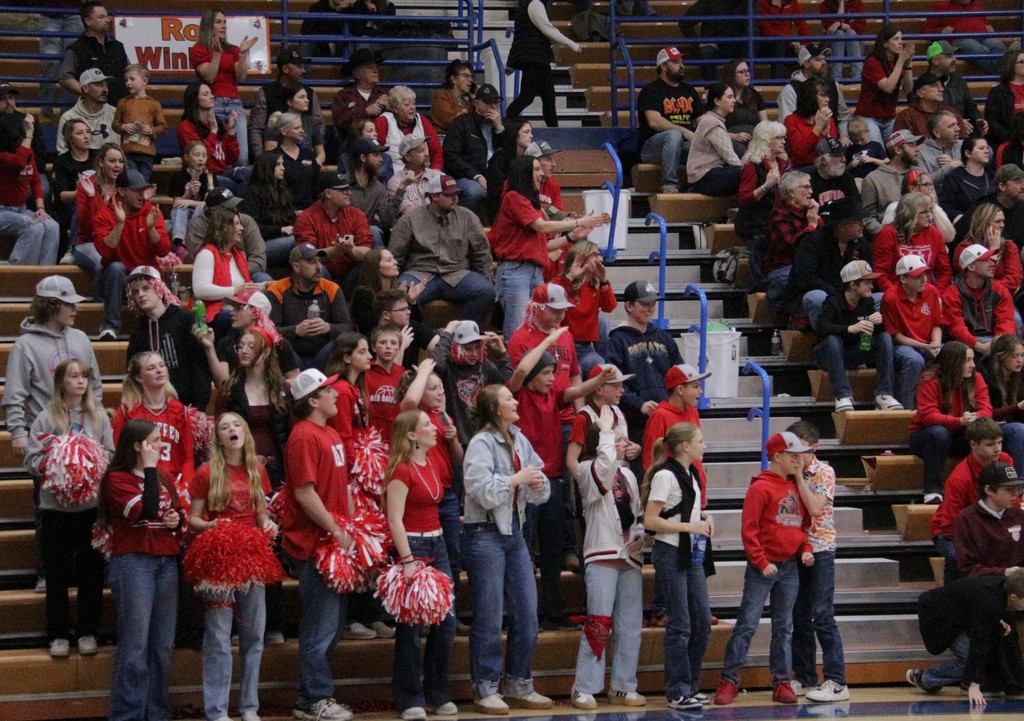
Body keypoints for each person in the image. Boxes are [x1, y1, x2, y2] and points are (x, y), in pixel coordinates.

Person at [461, 384, 552, 714]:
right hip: (484, 533)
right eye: (509, 398)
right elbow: (479, 492)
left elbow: (539, 482)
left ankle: (518, 682)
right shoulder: (481, 443)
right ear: (495, 408)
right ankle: (485, 687)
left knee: (528, 612)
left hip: (515, 532)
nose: (515, 402)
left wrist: (539, 484)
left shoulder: (520, 438)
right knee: (488, 615)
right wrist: (517, 479)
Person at [711, 432, 815, 706]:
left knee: (784, 627)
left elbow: (802, 527)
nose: (798, 460)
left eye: (799, 455)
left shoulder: (796, 487)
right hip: (763, 567)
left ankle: (781, 682)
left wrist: (806, 550)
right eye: (793, 455)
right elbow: (749, 531)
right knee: (746, 624)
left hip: (790, 567)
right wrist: (761, 561)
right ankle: (729, 680)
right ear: (777, 457)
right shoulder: (759, 488)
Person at [188, 413, 275, 721]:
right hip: (219, 560)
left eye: (236, 425)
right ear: (219, 439)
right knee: (218, 636)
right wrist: (211, 526)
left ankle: (250, 706)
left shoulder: (258, 470)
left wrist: (268, 525)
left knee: (254, 634)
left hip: (252, 557)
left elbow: (261, 513)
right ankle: (217, 710)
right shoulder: (206, 472)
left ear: (245, 433)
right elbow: (193, 518)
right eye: (224, 427)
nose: (231, 430)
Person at [278, 369, 355, 721]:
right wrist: (336, 530)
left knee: (334, 626)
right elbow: (304, 494)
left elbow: (342, 487)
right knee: (320, 626)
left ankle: (314, 695)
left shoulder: (330, 433)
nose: (336, 394)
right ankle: (313, 699)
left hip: (336, 542)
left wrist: (353, 528)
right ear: (312, 400)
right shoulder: (303, 436)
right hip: (315, 545)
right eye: (328, 390)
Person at [24, 358, 113, 658]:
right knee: (57, 576)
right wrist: (57, 461)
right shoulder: (45, 418)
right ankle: (58, 634)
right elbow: (30, 460)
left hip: (90, 510)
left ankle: (88, 630)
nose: (80, 381)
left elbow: (111, 456)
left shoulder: (99, 417)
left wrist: (91, 463)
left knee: (91, 574)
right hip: (55, 510)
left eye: (85, 376)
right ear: (61, 381)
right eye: (74, 376)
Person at [101, 419, 183, 721]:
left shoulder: (163, 478)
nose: (162, 445)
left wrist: (177, 519)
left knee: (162, 645)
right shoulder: (117, 479)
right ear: (138, 446)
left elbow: (171, 514)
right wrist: (149, 469)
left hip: (165, 561)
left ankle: (157, 712)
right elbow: (145, 511)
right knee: (135, 643)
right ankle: (128, 714)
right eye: (155, 440)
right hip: (134, 562)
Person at [569, 405, 646, 709]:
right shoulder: (586, 471)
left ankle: (623, 685)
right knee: (598, 623)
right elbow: (604, 470)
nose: (622, 446)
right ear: (599, 444)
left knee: (630, 625)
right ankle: (584, 687)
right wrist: (604, 432)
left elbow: (637, 513)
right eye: (617, 440)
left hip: (629, 558)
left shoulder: (627, 475)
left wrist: (640, 537)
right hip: (601, 554)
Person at [384, 410, 458, 721]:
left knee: (447, 622)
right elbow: (394, 519)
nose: (434, 428)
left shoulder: (435, 461)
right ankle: (409, 696)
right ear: (412, 435)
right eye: (426, 424)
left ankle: (438, 691)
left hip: (437, 543)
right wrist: (408, 561)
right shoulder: (401, 470)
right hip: (412, 546)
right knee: (410, 628)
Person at [488, 155, 605, 339]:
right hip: (515, 271)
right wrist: (578, 221)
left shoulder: (531, 204)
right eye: (536, 169)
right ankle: (515, 367)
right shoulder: (513, 197)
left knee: (537, 328)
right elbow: (542, 226)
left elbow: (546, 245)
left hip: (534, 271)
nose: (541, 174)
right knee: (518, 330)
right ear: (524, 173)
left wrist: (573, 236)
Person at [642, 421, 713, 709]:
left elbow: (687, 510)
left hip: (691, 553)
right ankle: (676, 690)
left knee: (703, 621)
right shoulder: (665, 476)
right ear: (685, 446)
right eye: (700, 440)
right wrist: (690, 527)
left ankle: (690, 684)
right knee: (681, 624)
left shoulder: (691, 472)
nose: (704, 445)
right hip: (671, 552)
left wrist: (706, 519)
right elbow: (651, 521)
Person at [397, 360, 466, 632]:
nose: (440, 393)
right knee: (427, 559)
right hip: (420, 496)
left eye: (441, 389)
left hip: (446, 494)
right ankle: (423, 615)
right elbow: (409, 401)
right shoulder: (414, 419)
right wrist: (424, 369)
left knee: (453, 557)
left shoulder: (444, 417)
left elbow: (458, 460)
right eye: (432, 388)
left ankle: (448, 615)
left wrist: (453, 441)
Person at [4, 276, 103, 460]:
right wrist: (18, 432)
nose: (75, 309)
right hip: (46, 433)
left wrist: (95, 420)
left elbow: (94, 384)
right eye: (69, 304)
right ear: (51, 306)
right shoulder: (25, 345)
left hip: (82, 432)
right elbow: (15, 392)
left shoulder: (81, 338)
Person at [787, 421, 850, 702]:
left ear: (814, 447)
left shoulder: (824, 472)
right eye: (790, 448)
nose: (794, 455)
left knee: (822, 614)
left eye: (799, 449)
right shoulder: (784, 473)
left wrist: (799, 477)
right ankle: (804, 676)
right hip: (794, 549)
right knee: (799, 615)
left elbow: (814, 508)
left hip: (822, 548)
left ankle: (837, 681)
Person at [390, 173, 496, 324]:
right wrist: (393, 282)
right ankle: (419, 335)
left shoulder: (467, 217)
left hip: (457, 274)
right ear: (434, 196)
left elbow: (481, 253)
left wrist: (486, 278)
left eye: (456, 194)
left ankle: (463, 335)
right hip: (420, 274)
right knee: (399, 297)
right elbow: (396, 255)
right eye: (449, 195)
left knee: (486, 291)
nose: (455, 198)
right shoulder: (411, 218)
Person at [911, 566, 1024, 707]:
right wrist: (974, 684)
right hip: (938, 617)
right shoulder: (990, 601)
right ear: (1013, 597)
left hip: (957, 615)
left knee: (994, 638)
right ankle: (926, 678)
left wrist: (997, 619)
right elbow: (979, 645)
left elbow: (976, 603)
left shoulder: (1002, 587)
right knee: (968, 658)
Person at [605, 280, 685, 474]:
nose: (650, 309)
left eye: (653, 304)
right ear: (629, 306)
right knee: (644, 477)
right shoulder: (617, 339)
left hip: (667, 417)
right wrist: (638, 404)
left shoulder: (664, 337)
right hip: (636, 422)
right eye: (644, 304)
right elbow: (613, 384)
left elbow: (680, 374)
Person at [926, 417, 1011, 582]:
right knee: (956, 557)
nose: (997, 449)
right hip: (950, 533)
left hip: (989, 527)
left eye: (999, 443)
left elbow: (1011, 502)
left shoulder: (1006, 461)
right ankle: (951, 597)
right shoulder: (960, 478)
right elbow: (950, 526)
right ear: (973, 445)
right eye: (990, 444)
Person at [909, 341, 993, 503]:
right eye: (968, 360)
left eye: (972, 360)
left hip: (961, 433)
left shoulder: (977, 378)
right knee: (939, 433)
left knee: (988, 432)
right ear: (954, 362)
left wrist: (973, 418)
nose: (973, 365)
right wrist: (959, 421)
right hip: (926, 437)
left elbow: (986, 409)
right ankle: (932, 490)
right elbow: (928, 416)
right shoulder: (930, 380)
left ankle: (986, 488)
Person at [812, 260, 902, 412]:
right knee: (833, 340)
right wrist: (850, 328)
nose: (872, 287)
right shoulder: (833, 301)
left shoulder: (867, 301)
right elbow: (821, 327)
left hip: (854, 353)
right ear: (853, 285)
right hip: (827, 354)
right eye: (867, 282)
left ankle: (884, 393)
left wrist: (880, 323)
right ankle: (842, 395)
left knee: (884, 337)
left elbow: (877, 331)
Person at [94, 169, 171, 340]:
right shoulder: (105, 214)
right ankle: (109, 327)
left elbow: (164, 250)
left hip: (143, 275)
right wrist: (120, 223)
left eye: (143, 190)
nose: (142, 195)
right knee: (116, 268)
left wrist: (151, 229)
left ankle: (159, 325)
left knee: (148, 274)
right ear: (121, 191)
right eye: (136, 190)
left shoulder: (150, 211)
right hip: (116, 281)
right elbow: (104, 251)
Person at [125, 265, 215, 411]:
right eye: (136, 292)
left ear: (160, 290)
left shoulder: (185, 320)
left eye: (146, 288)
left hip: (188, 407)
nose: (140, 295)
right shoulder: (137, 335)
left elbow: (199, 366)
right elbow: (133, 376)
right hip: (153, 410)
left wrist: (200, 406)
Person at [782, 196, 872, 326]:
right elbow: (806, 279)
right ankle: (826, 337)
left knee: (881, 297)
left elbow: (868, 273)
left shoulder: (861, 244)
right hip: (809, 296)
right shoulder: (811, 242)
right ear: (841, 226)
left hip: (850, 296)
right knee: (818, 297)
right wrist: (838, 294)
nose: (862, 225)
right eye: (856, 221)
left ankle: (868, 340)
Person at [266, 243, 353, 369]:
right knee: (281, 344)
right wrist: (295, 330)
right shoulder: (277, 290)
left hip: (323, 354)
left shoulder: (331, 288)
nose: (319, 267)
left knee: (340, 342)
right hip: (291, 356)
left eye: (319, 262)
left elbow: (347, 327)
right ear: (296, 267)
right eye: (312, 262)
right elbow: (270, 331)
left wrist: (328, 327)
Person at [189, 9, 257, 166]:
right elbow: (209, 76)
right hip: (213, 103)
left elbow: (241, 76)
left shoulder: (232, 49)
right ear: (208, 25)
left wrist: (242, 55)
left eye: (225, 22)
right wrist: (217, 54)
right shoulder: (199, 49)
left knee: (242, 155)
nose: (224, 26)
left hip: (234, 103)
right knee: (217, 154)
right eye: (219, 22)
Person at [432, 320, 514, 446]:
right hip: (458, 436)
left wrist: (501, 351)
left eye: (477, 347)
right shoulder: (449, 368)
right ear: (455, 347)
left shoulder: (485, 366)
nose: (475, 354)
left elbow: (506, 379)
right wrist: (448, 331)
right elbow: (437, 362)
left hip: (483, 435)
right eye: (469, 349)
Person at [637, 47, 705, 194]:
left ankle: (701, 185)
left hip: (684, 145)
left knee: (708, 142)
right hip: (652, 149)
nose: (682, 65)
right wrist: (685, 131)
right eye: (675, 62)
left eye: (681, 61)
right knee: (674, 135)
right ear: (663, 66)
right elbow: (654, 122)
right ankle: (669, 185)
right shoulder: (650, 90)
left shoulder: (689, 90)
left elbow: (703, 121)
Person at [882, 255, 945, 409]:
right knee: (914, 360)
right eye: (918, 276)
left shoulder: (931, 291)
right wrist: (926, 346)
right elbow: (896, 336)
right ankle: (907, 409)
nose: (924, 279)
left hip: (928, 343)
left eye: (925, 274)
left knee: (955, 355)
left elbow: (937, 324)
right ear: (903, 279)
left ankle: (945, 408)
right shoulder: (890, 297)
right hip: (903, 345)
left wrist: (935, 344)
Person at [505, 0, 581, 127]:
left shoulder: (523, 7)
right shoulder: (535, 4)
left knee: (548, 99)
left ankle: (554, 132)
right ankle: (503, 123)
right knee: (528, 97)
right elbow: (547, 29)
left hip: (535, 59)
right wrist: (572, 44)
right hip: (536, 59)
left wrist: (511, 62)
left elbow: (518, 38)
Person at [192, 206, 265, 337]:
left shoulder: (238, 254)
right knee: (236, 318)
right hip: (213, 312)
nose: (241, 228)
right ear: (224, 227)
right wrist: (235, 290)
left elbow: (244, 288)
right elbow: (200, 290)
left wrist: (265, 285)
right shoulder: (207, 253)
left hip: (237, 307)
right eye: (236, 224)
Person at [293, 170, 373, 292]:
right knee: (316, 266)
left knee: (370, 263)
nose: (349, 193)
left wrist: (352, 249)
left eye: (348, 189)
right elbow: (307, 256)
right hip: (323, 274)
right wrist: (335, 250)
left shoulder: (357, 215)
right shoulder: (306, 218)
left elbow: (368, 251)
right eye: (343, 190)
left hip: (351, 274)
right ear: (328, 193)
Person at [0, 112, 59, 265]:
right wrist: (30, 134)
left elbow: (36, 180)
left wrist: (40, 208)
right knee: (33, 226)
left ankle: (45, 277)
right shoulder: (3, 155)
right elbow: (19, 162)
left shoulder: (28, 152)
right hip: (2, 211)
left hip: (21, 209)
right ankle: (19, 275)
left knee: (52, 226)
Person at [736, 121, 789, 290]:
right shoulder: (753, 165)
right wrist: (766, 186)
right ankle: (759, 288)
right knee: (760, 242)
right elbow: (744, 199)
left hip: (777, 221)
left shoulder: (784, 164)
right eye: (778, 138)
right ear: (766, 140)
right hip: (755, 224)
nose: (783, 142)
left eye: (784, 138)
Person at [551, 242, 616, 376]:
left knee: (601, 367)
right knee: (576, 373)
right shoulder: (562, 283)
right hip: (562, 346)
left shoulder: (595, 285)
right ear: (581, 258)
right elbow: (551, 297)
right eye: (595, 255)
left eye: (600, 255)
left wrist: (604, 280)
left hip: (585, 348)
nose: (600, 259)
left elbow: (609, 307)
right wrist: (570, 277)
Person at [249, 47, 325, 162]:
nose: (303, 71)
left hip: (305, 156)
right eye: (299, 67)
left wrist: (311, 155)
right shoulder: (266, 93)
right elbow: (257, 129)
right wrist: (262, 160)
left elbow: (318, 125)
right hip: (275, 154)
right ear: (285, 69)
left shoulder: (309, 93)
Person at [176, 82, 248, 196]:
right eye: (206, 94)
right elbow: (199, 156)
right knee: (239, 185)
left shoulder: (217, 123)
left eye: (211, 93)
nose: (212, 96)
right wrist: (213, 131)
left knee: (249, 173)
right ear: (195, 99)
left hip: (222, 173)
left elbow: (231, 158)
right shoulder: (186, 126)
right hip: (203, 176)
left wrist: (231, 131)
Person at [443, 83, 506, 215]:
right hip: (466, 175)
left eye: (496, 102)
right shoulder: (462, 123)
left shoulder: (503, 124)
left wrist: (499, 129)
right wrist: (476, 176)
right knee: (475, 192)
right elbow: (451, 156)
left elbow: (510, 152)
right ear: (477, 104)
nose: (493, 107)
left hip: (496, 176)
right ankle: (462, 228)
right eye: (488, 103)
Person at [944, 244, 1016, 357]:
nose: (993, 263)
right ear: (971, 266)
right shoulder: (952, 293)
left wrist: (1001, 341)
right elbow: (956, 327)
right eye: (986, 260)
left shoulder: (999, 290)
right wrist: (977, 345)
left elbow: (1006, 320)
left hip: (994, 340)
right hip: (963, 344)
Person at [872, 191, 952, 293]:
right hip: (896, 294)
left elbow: (944, 271)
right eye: (924, 212)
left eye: (929, 211)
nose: (929, 216)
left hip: (926, 294)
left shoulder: (934, 234)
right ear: (909, 214)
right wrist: (894, 296)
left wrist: (936, 293)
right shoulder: (887, 234)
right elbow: (880, 272)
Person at [764, 171, 821, 312]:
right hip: (782, 269)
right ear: (791, 193)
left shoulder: (810, 213)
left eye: (810, 187)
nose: (811, 191)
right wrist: (811, 226)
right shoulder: (778, 215)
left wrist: (818, 221)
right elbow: (792, 247)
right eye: (806, 187)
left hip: (807, 267)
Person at [185, 188, 269, 281]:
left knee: (263, 278)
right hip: (215, 278)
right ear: (214, 210)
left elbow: (259, 260)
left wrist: (237, 273)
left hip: (247, 272)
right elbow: (203, 263)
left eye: (235, 206)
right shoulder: (197, 225)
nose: (235, 210)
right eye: (229, 208)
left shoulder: (246, 221)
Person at [777, 44, 852, 144]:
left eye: (824, 59)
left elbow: (844, 117)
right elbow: (787, 126)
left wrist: (844, 135)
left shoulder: (834, 85)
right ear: (806, 63)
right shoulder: (790, 90)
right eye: (818, 60)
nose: (824, 62)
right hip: (802, 144)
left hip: (832, 142)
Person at [855, 24, 915, 146]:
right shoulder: (872, 62)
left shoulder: (898, 61)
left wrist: (908, 65)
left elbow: (908, 89)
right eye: (896, 39)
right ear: (885, 43)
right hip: (869, 117)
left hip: (889, 116)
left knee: (901, 149)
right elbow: (888, 87)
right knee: (878, 150)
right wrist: (900, 62)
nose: (900, 43)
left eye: (901, 39)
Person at [59, 2, 128, 104]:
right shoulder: (77, 48)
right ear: (88, 21)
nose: (107, 20)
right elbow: (65, 78)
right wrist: (88, 94)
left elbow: (130, 71)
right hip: (91, 112)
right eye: (101, 17)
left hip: (119, 108)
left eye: (107, 16)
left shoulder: (118, 46)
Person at [73, 142, 124, 273]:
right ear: (101, 162)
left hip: (116, 242)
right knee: (104, 264)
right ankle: (100, 295)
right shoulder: (88, 185)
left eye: (120, 161)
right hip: (88, 243)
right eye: (112, 161)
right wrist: (91, 197)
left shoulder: (125, 188)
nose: (117, 165)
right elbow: (85, 226)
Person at [240, 152, 297, 267]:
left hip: (281, 239)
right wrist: (279, 230)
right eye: (278, 165)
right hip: (260, 246)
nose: (283, 168)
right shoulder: (253, 193)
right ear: (267, 167)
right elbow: (252, 228)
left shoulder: (282, 189)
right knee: (296, 241)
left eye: (283, 164)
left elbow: (290, 217)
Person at [919, 40, 988, 137]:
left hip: (964, 131)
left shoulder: (959, 80)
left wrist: (978, 119)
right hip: (939, 135)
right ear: (935, 61)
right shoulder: (923, 83)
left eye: (953, 55)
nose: (954, 59)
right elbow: (925, 113)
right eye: (949, 56)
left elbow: (970, 107)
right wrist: (957, 122)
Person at [51, 118, 96, 263]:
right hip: (71, 206)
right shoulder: (62, 161)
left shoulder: (99, 157)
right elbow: (62, 195)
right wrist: (85, 193)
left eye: (88, 132)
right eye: (80, 133)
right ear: (70, 139)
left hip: (99, 202)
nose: (86, 136)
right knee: (80, 211)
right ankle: (71, 249)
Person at [862, 129, 921, 239]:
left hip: (922, 236)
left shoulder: (921, 174)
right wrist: (890, 236)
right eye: (911, 145)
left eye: (916, 145)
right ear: (898, 150)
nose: (917, 149)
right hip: (890, 239)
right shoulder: (873, 179)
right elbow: (867, 219)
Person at [686, 82, 743, 196]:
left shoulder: (712, 119)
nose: (734, 101)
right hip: (705, 178)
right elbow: (729, 156)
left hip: (706, 175)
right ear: (717, 101)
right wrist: (747, 170)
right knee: (749, 173)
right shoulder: (712, 123)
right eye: (729, 97)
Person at [922, 0, 1010, 74]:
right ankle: (1006, 75)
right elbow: (926, 30)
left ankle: (1006, 73)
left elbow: (983, 22)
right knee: (980, 50)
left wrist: (988, 27)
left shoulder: (977, 4)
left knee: (999, 46)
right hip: (959, 39)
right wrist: (941, 31)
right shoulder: (941, 7)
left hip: (983, 35)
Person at [374, 86, 443, 179]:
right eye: (407, 105)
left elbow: (436, 150)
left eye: (413, 104)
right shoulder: (383, 121)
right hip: (395, 173)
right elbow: (375, 152)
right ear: (395, 108)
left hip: (424, 171)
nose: (412, 108)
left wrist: (436, 170)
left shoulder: (422, 120)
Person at [112, 64, 166, 180]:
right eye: (126, 80)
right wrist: (123, 127)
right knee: (131, 179)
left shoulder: (154, 103)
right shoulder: (123, 102)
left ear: (144, 81)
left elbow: (162, 126)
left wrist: (151, 130)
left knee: (144, 179)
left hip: (147, 152)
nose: (128, 83)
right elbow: (115, 124)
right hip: (128, 150)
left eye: (132, 79)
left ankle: (143, 197)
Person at [953, 203, 1022, 294]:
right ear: (983, 223)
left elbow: (1014, 280)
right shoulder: (965, 249)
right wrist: (994, 250)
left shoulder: (1008, 246)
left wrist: (994, 287)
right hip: (970, 298)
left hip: (1002, 297)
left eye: (1003, 221)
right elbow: (977, 282)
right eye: (998, 221)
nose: (1002, 225)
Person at [953, 164, 1024, 249]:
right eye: (1018, 182)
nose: (1023, 186)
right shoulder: (982, 208)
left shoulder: (1021, 206)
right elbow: (958, 237)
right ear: (1002, 186)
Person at [980, 335, 1024, 467]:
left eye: (1022, 355)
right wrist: (1017, 407)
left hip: (1011, 423)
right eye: (1015, 356)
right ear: (1001, 357)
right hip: (989, 427)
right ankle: (1021, 481)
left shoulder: (1019, 375)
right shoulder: (985, 376)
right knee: (1018, 429)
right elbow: (986, 414)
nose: (1020, 360)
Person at [346, 137, 399, 246]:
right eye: (375, 155)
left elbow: (386, 220)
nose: (381, 159)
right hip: (342, 234)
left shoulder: (378, 188)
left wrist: (401, 190)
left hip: (366, 235)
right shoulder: (343, 184)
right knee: (373, 230)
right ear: (363, 157)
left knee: (374, 230)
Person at [678, 0, 747, 81]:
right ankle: (712, 87)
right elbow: (685, 22)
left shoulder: (747, 3)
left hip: (739, 48)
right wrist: (698, 43)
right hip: (715, 48)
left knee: (753, 41)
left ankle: (744, 84)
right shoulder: (710, 2)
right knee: (705, 52)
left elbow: (754, 28)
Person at [56, 67, 119, 152]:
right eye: (99, 84)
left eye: (106, 85)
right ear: (85, 88)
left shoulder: (115, 113)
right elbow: (63, 152)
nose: (105, 89)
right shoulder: (69, 117)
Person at [331, 47, 388, 141]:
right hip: (352, 144)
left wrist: (390, 107)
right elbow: (339, 120)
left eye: (376, 67)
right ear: (357, 74)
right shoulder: (343, 96)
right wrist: (365, 111)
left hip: (381, 142)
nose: (375, 71)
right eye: (370, 68)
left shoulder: (385, 94)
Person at [168, 141, 217, 249]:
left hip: (199, 214)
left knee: (201, 207)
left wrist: (190, 202)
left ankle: (193, 239)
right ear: (186, 157)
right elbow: (176, 202)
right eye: (197, 155)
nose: (201, 159)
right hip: (183, 212)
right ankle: (179, 243)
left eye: (204, 156)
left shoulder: (209, 177)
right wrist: (188, 194)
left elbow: (209, 203)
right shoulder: (178, 176)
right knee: (179, 208)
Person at [268, 111, 321, 211]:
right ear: (284, 131)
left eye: (301, 127)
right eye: (296, 128)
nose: (302, 131)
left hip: (309, 210)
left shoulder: (308, 154)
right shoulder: (274, 156)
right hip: (284, 211)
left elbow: (315, 185)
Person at [484, 120, 535, 221]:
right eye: (526, 132)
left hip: (526, 208)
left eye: (531, 132)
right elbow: (496, 192)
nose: (531, 136)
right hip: (502, 211)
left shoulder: (530, 159)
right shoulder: (500, 159)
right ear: (515, 135)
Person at [894, 72, 968, 141]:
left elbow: (963, 140)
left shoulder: (950, 112)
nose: (941, 89)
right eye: (935, 86)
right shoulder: (907, 116)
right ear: (920, 93)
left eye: (941, 86)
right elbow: (903, 145)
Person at [264, 85, 326, 166]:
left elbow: (321, 153)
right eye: (302, 97)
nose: (307, 100)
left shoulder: (311, 122)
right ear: (289, 102)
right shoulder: (278, 121)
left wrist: (312, 164)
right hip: (284, 166)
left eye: (307, 97)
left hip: (307, 165)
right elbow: (270, 153)